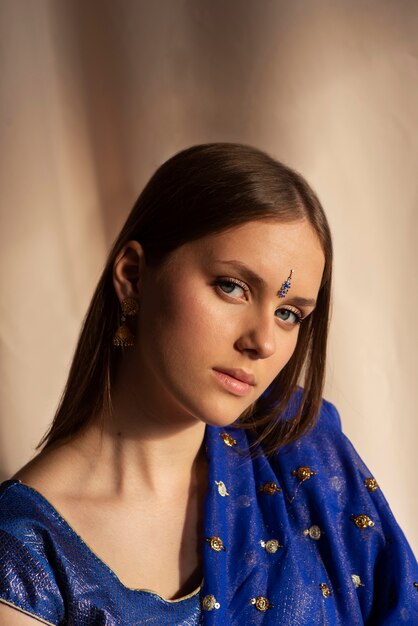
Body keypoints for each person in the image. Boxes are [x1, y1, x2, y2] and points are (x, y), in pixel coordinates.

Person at [0, 143, 416, 626]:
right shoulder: (26, 559)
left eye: (288, 314)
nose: (262, 341)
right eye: (232, 286)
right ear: (133, 276)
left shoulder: (299, 449)